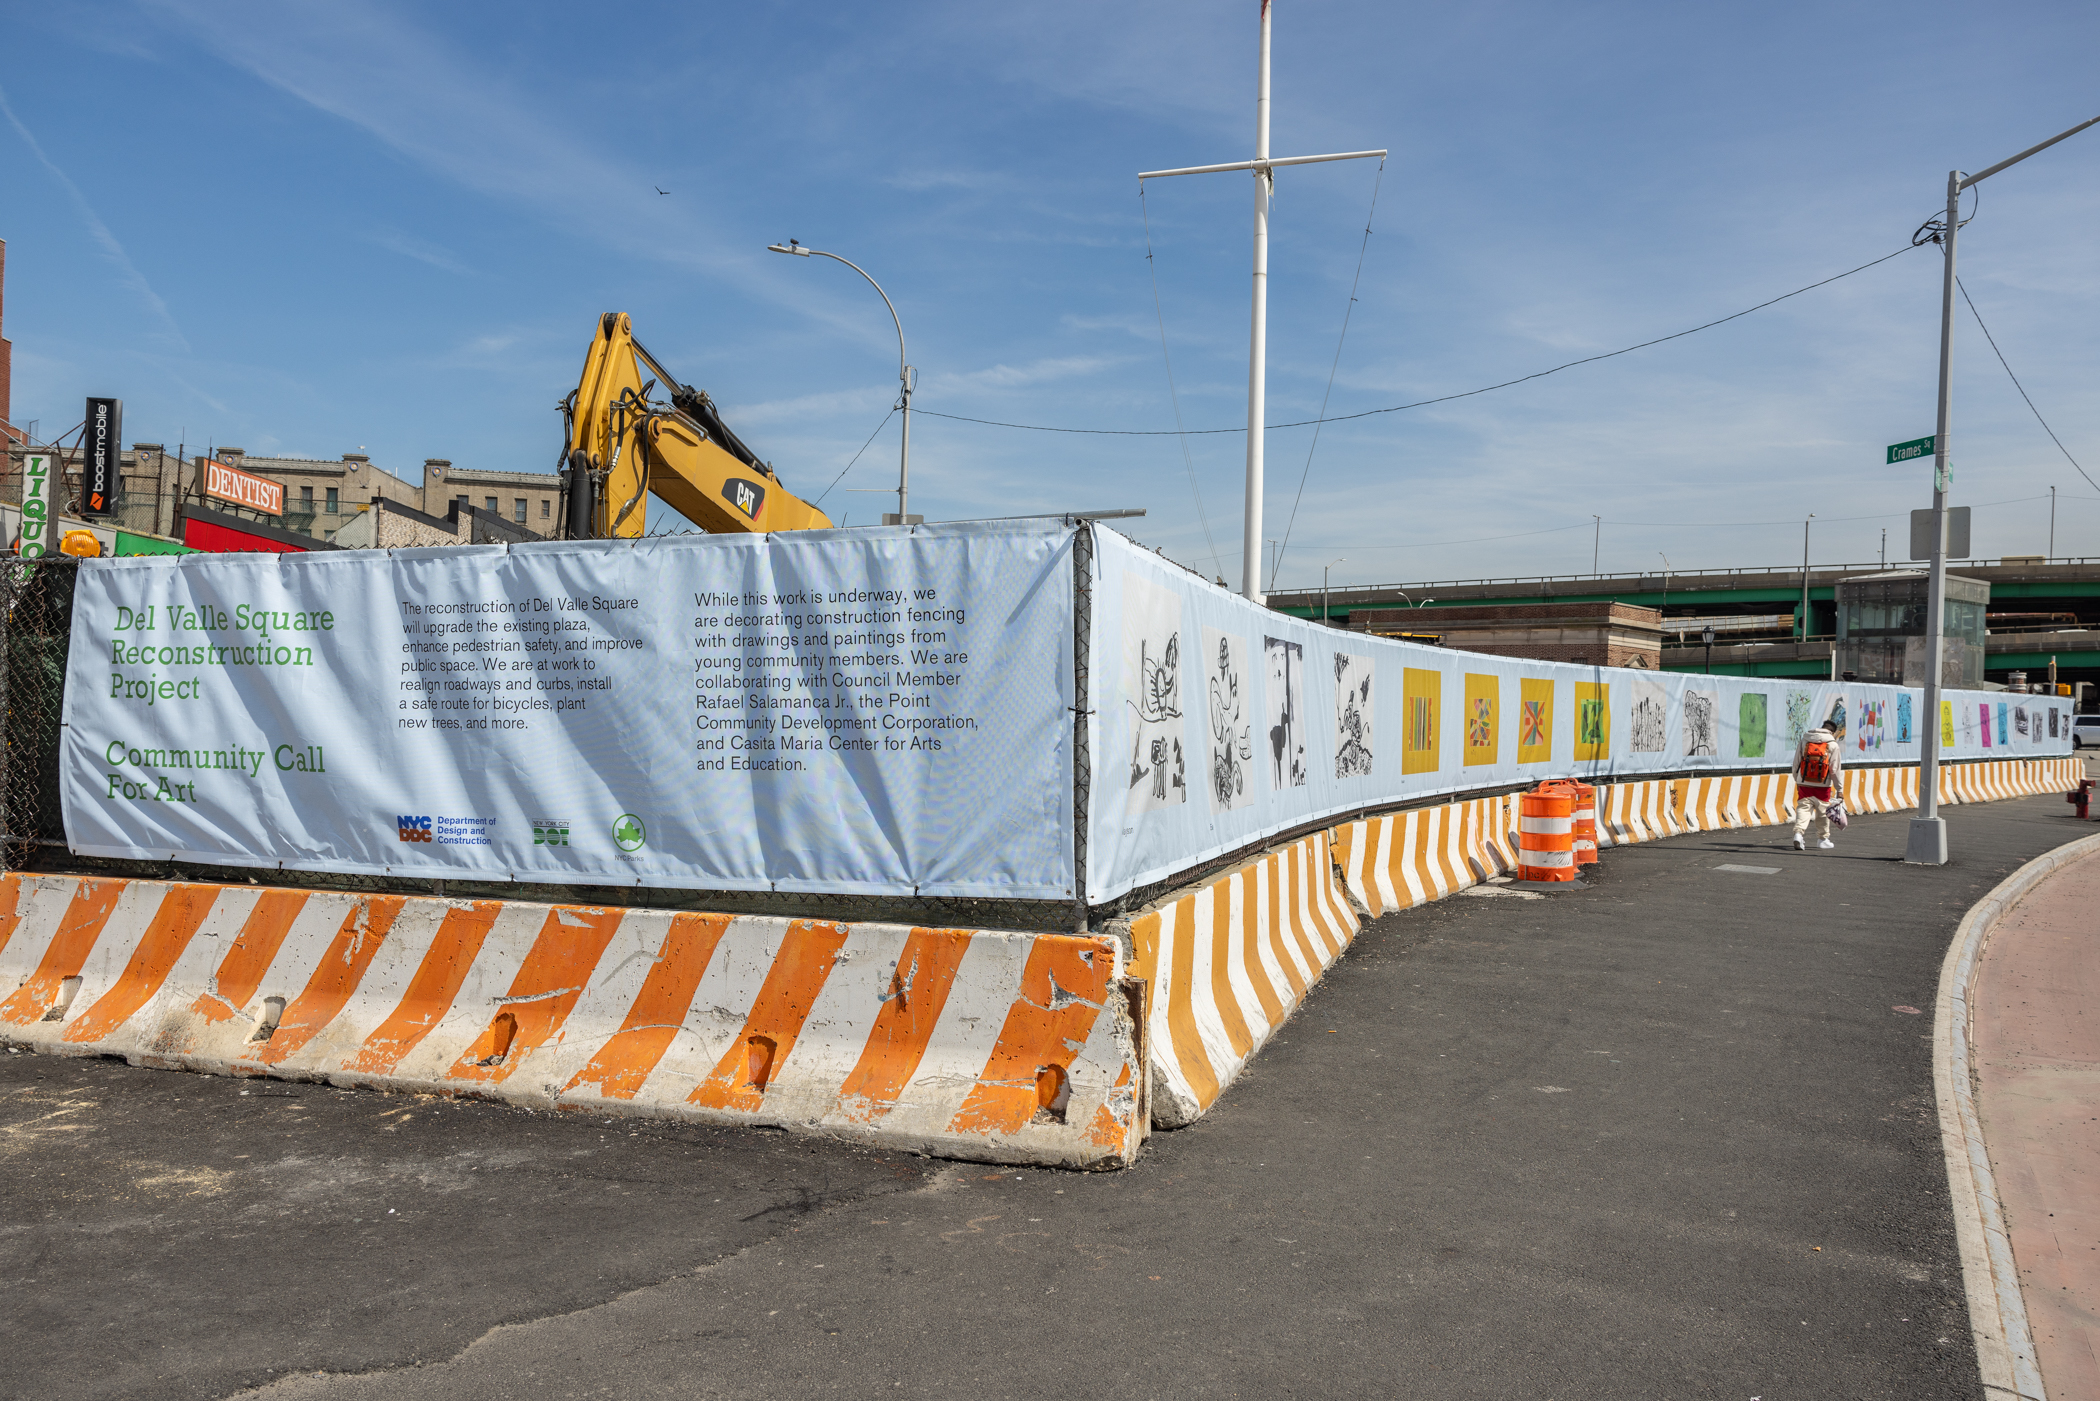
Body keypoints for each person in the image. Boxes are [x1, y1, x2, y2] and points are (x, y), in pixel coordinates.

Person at [1791, 725, 1843, 851]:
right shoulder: (1833, 744)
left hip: (1804, 782)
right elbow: (1834, 770)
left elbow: (1796, 762)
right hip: (1823, 785)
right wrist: (1839, 789)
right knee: (1823, 812)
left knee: (1803, 809)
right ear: (1832, 731)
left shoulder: (1805, 740)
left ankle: (1798, 833)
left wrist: (1797, 779)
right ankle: (1822, 839)